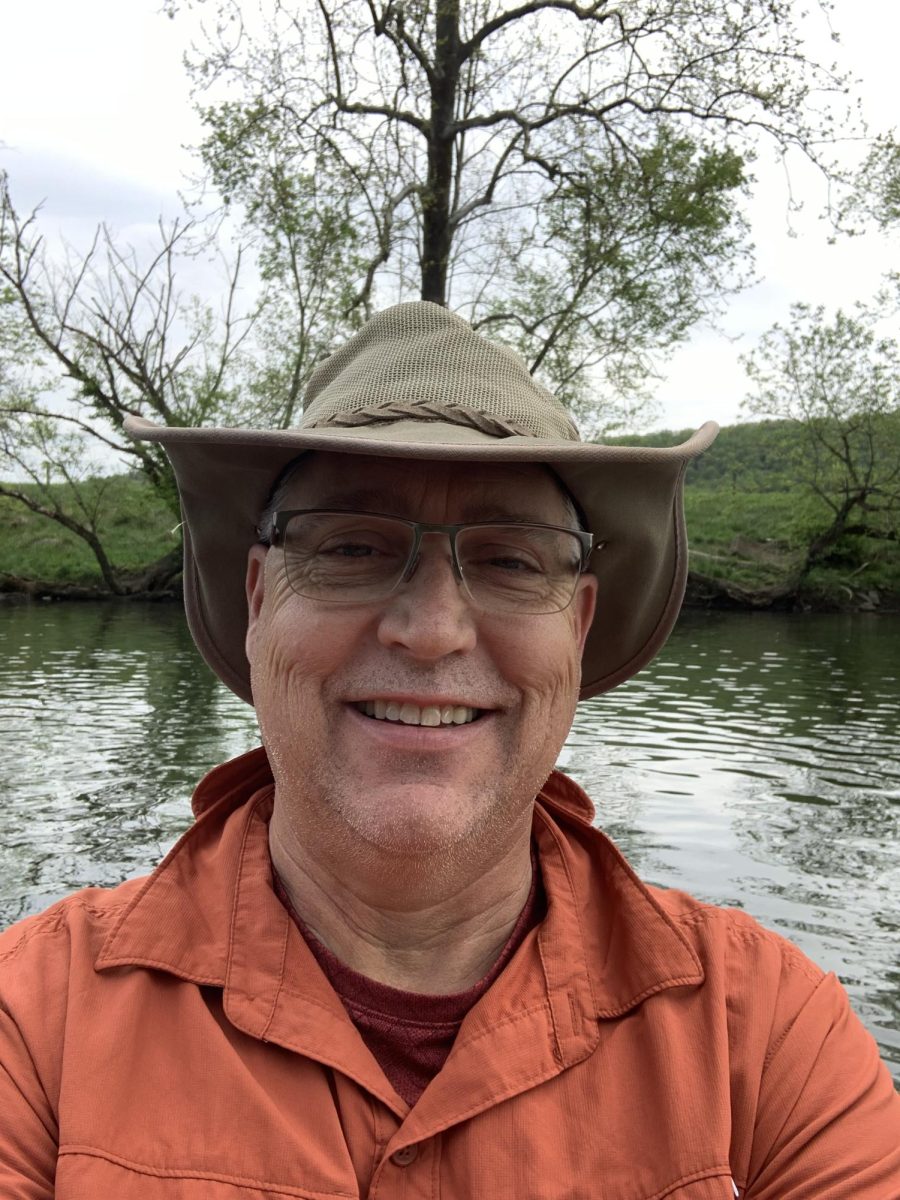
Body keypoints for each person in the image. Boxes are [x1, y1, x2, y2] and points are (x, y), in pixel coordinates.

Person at [1, 302, 897, 1199]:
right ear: (259, 598)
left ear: (578, 626)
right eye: (353, 545)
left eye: (511, 560)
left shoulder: (769, 1031)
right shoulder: (35, 1023)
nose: (431, 631)